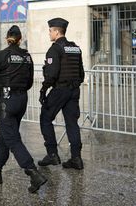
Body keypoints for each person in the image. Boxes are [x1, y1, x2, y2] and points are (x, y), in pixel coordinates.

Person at [0, 25, 47, 193]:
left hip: (6, 101)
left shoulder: (1, 55)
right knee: (5, 135)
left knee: (13, 139)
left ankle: (33, 173)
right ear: (20, 39)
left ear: (6, 39)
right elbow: (30, 81)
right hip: (21, 99)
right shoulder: (27, 57)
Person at [38, 17, 85, 170]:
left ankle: (52, 154)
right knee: (72, 123)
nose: (49, 34)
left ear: (57, 32)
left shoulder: (55, 49)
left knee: (45, 117)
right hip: (74, 90)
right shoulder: (76, 48)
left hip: (60, 89)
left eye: (50, 31)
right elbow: (81, 74)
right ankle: (76, 158)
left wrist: (44, 89)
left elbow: (51, 74)